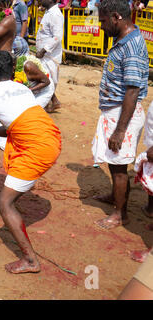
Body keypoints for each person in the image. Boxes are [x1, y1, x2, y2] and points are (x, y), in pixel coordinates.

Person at [0, 50, 61, 274]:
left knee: (4, 203)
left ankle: (30, 260)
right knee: (8, 193)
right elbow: (14, 124)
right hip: (52, 138)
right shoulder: (22, 88)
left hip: (38, 149)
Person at [91, 0, 149, 229]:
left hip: (123, 114)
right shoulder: (122, 38)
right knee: (113, 162)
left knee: (119, 166)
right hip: (113, 111)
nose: (101, 26)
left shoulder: (132, 47)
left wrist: (120, 130)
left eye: (104, 21)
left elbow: (132, 91)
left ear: (116, 17)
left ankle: (119, 214)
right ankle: (117, 197)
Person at [36, 0, 63, 113]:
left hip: (50, 56)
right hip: (45, 56)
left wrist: (44, 50)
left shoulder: (55, 14)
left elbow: (57, 37)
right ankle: (53, 102)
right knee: (46, 78)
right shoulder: (48, 12)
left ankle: (51, 102)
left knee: (49, 80)